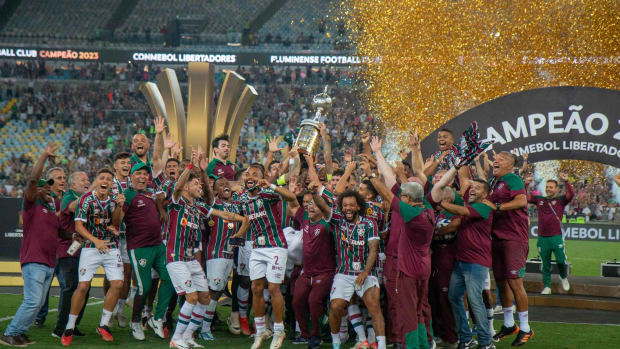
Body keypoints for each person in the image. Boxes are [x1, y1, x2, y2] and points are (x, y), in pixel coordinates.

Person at [166, 164, 246, 349]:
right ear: (186, 187)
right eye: (196, 184)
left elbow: (221, 213)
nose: (200, 186)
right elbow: (177, 186)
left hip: (191, 260)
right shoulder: (178, 201)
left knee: (204, 297)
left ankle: (187, 336)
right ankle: (176, 339)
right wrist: (189, 166)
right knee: (192, 297)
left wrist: (241, 219)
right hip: (175, 257)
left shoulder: (199, 207)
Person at [371, 136, 434, 349]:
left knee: (409, 310)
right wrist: (378, 153)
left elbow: (387, 193)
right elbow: (398, 179)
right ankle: (425, 344)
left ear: (408, 196)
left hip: (408, 268)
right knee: (419, 309)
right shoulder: (428, 209)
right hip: (423, 266)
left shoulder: (410, 213)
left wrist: (372, 177)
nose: (401, 193)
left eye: (404, 192)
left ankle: (413, 346)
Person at [0, 143, 60, 347]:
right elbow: (33, 180)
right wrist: (44, 155)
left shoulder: (51, 210)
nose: (46, 189)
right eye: (42, 186)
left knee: (39, 302)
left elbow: (60, 232)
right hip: (34, 260)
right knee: (33, 301)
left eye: (48, 186)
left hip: (49, 262)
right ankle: (10, 332)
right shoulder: (31, 205)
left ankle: (20, 333)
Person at [234, 163, 297, 349]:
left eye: (255, 174)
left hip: (276, 247)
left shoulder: (267, 193)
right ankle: (260, 331)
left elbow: (291, 197)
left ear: (262, 177)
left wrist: (270, 184)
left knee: (274, 288)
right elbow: (247, 218)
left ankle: (279, 330)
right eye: (248, 174)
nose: (250, 176)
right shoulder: (243, 198)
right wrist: (239, 233)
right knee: (255, 287)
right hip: (256, 248)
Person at [111, 162, 175, 341]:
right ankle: (135, 321)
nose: (142, 177)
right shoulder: (128, 195)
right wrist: (118, 206)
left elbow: (160, 213)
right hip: (139, 248)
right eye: (138, 173)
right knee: (144, 287)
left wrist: (160, 207)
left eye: (145, 174)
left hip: (158, 246)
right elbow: (116, 221)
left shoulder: (150, 194)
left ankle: (158, 318)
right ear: (131, 177)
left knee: (170, 279)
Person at [61, 168, 123, 346]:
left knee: (118, 284)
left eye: (109, 179)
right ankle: (70, 326)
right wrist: (96, 241)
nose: (106, 181)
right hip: (91, 246)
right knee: (83, 286)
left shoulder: (113, 200)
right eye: (102, 178)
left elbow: (117, 222)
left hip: (111, 246)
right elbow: (79, 227)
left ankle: (103, 325)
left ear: (112, 184)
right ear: (96, 181)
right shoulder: (85, 200)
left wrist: (119, 206)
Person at [320, 183, 385, 349]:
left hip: (366, 272)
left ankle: (381, 345)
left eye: (351, 205)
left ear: (358, 206)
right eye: (345, 206)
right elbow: (322, 206)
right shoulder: (338, 220)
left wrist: (365, 272)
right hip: (344, 273)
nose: (348, 208)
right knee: (335, 307)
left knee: (374, 306)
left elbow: (373, 250)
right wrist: (315, 193)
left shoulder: (369, 223)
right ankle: (336, 342)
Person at [439, 166, 496, 349]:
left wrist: (442, 203)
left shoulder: (484, 208)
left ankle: (486, 342)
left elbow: (462, 212)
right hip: (461, 261)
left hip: (476, 263)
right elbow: (464, 179)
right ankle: (466, 337)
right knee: (454, 296)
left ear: (485, 195)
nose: (472, 189)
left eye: (478, 189)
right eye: (472, 188)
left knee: (474, 299)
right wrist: (462, 161)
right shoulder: (471, 204)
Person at [488, 152, 533, 346]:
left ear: (511, 165)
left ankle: (525, 328)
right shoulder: (495, 182)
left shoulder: (512, 178)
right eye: (496, 158)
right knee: (501, 283)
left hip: (514, 238)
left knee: (515, 283)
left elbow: (522, 201)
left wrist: (497, 207)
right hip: (497, 238)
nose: (496, 160)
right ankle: (508, 324)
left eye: (502, 158)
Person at [199, 177, 250, 341]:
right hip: (216, 253)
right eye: (220, 185)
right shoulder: (214, 204)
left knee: (218, 289)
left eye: (226, 183)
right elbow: (207, 190)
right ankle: (203, 328)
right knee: (213, 290)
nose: (225, 185)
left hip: (229, 255)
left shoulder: (236, 205)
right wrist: (202, 170)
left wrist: (238, 237)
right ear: (215, 192)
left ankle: (202, 324)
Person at [290, 187, 335, 349]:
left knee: (314, 300)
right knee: (296, 300)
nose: (309, 206)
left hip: (324, 272)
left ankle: (316, 335)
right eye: (308, 204)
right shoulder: (304, 219)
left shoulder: (328, 224)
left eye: (314, 204)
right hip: (306, 271)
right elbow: (291, 203)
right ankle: (306, 334)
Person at [52, 171, 91, 339]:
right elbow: (72, 207)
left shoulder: (89, 198)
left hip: (84, 251)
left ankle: (73, 325)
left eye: (88, 179)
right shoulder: (69, 196)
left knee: (84, 289)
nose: (87, 182)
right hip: (68, 250)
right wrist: (93, 190)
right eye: (83, 180)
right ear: (73, 185)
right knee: (70, 288)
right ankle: (60, 329)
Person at [525, 173, 574, 294]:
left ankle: (563, 277)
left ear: (557, 189)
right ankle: (547, 286)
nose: (548, 189)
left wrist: (567, 181)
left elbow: (571, 194)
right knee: (545, 263)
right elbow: (525, 197)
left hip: (556, 236)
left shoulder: (561, 200)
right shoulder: (540, 200)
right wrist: (526, 183)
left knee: (561, 261)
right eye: (547, 187)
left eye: (551, 187)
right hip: (542, 237)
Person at [35, 166, 67, 328]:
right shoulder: (45, 198)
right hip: (48, 248)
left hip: (65, 248)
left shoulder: (68, 196)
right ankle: (40, 316)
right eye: (58, 178)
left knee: (66, 285)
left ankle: (63, 318)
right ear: (49, 181)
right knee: (44, 285)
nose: (62, 180)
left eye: (64, 177)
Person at [109, 151, 133, 328]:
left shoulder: (134, 183)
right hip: (112, 234)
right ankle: (108, 311)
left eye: (128, 162)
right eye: (122, 162)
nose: (126, 165)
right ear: (115, 166)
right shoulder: (109, 183)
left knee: (127, 274)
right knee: (110, 276)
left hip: (130, 235)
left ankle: (120, 311)